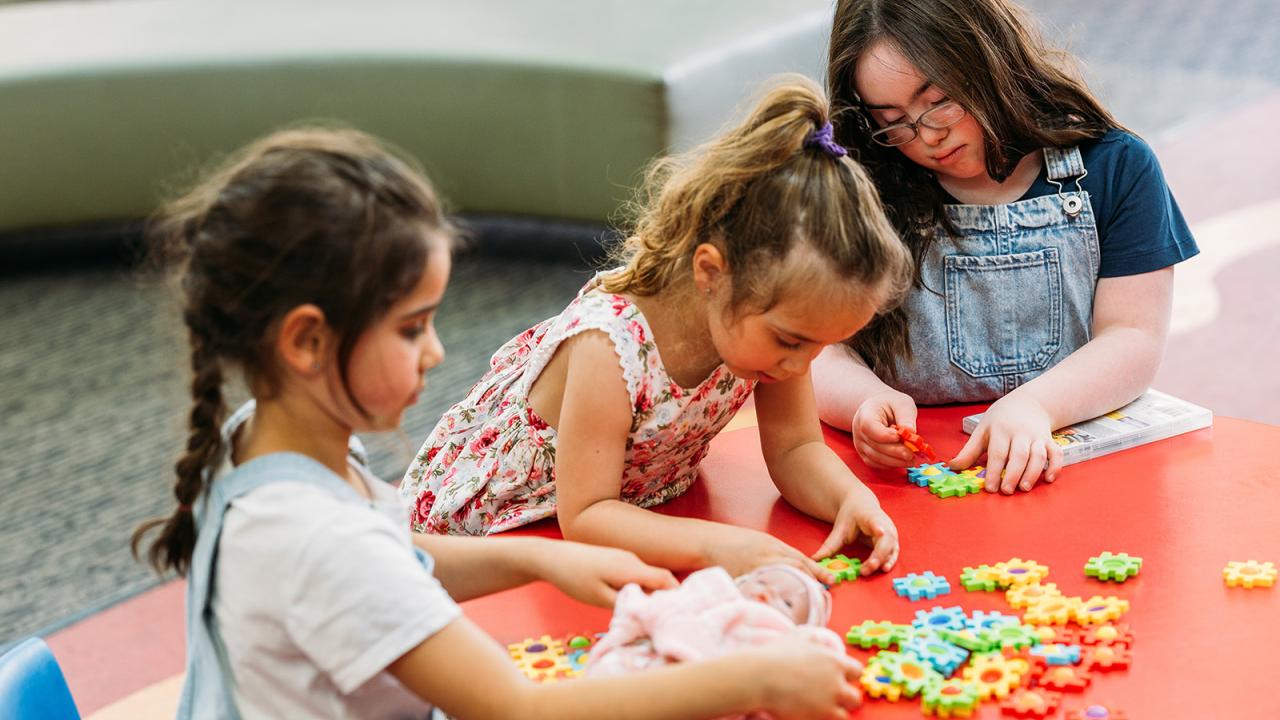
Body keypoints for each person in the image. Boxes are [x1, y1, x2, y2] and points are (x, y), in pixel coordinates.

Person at [130, 127, 865, 719]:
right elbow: (517, 709)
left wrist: (538, 560)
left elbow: (398, 554)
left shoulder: (261, 438)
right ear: (305, 341)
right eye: (412, 328)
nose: (438, 352)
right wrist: (756, 682)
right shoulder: (319, 543)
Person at [401, 76, 914, 582]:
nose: (801, 365)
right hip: (499, 532)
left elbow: (795, 449)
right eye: (792, 341)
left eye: (818, 347)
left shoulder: (767, 331)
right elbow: (587, 514)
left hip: (621, 515)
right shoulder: (609, 344)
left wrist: (852, 498)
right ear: (712, 273)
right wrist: (720, 546)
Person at [816, 0, 1199, 493]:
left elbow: (1132, 337)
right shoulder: (860, 183)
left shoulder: (1115, 166)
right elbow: (819, 350)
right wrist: (862, 403)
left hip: (1067, 460)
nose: (927, 136)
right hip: (911, 476)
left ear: (989, 59)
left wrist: (1036, 405)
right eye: (893, 121)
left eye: (939, 101)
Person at [587, 564, 845, 683]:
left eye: (787, 604)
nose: (767, 594)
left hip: (700, 686)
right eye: (763, 582)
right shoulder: (709, 598)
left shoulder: (774, 635)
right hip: (635, 671)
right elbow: (661, 606)